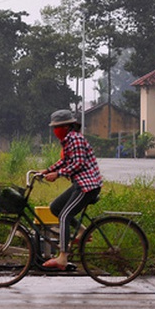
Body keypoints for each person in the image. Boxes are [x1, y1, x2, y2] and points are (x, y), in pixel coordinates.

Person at [40, 109, 102, 270]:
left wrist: (58, 174)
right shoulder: (68, 140)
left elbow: (78, 164)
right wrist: (46, 170)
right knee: (55, 207)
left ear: (67, 126)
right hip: (80, 184)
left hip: (88, 185)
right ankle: (83, 231)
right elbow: (65, 161)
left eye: (58, 127)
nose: (55, 131)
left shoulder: (75, 139)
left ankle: (62, 257)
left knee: (65, 215)